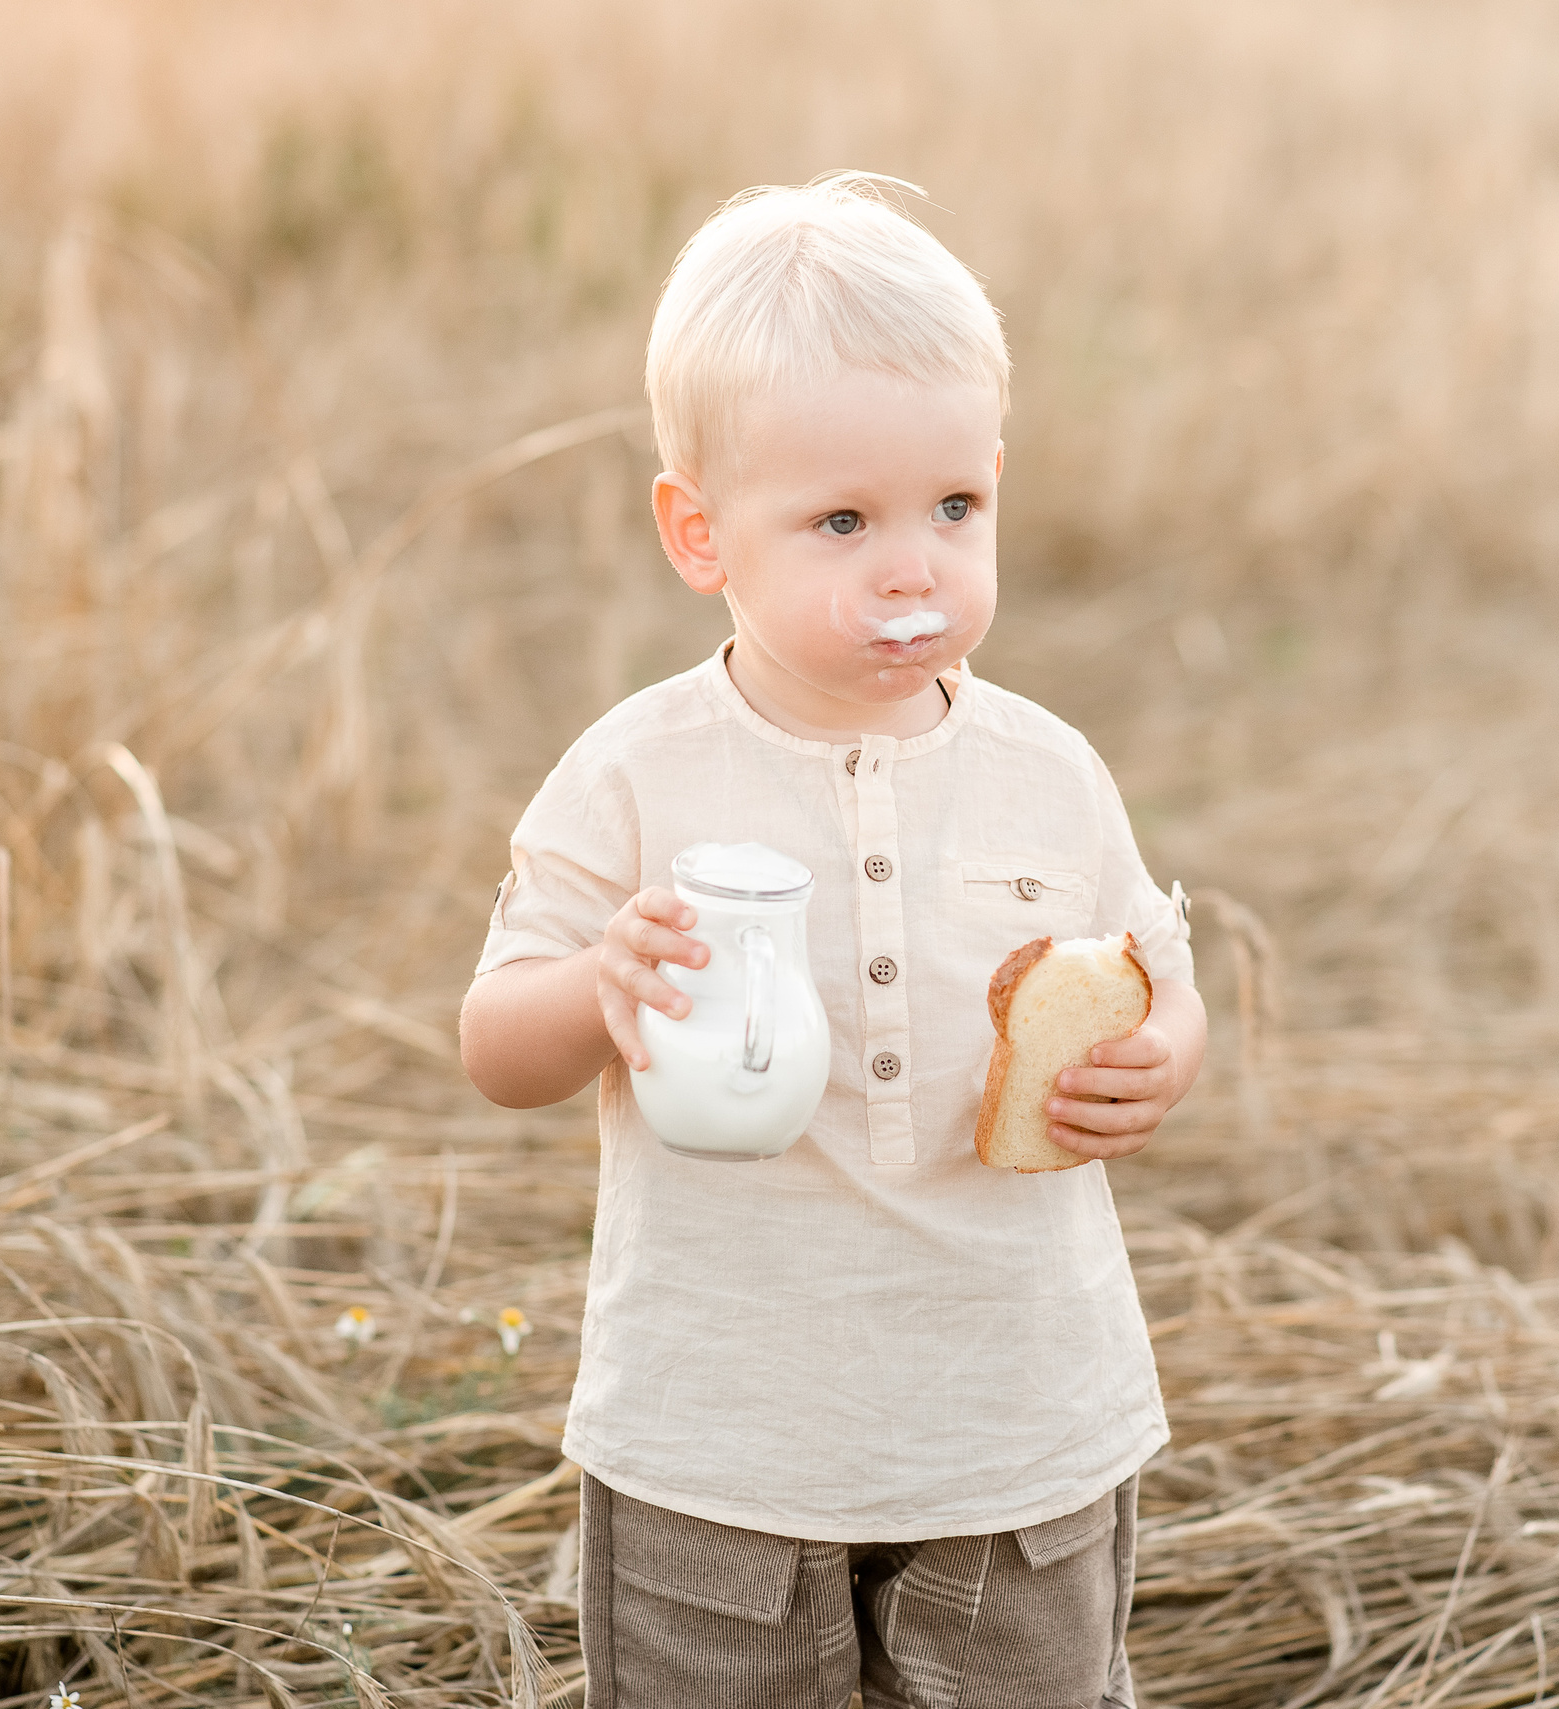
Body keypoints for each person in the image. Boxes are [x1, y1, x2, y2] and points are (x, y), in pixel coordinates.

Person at [458, 173, 1207, 1709]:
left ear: (997, 479)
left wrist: (1159, 1065)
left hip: (1017, 1434)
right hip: (720, 1442)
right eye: (841, 521)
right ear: (699, 532)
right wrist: (602, 991)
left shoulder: (1049, 773)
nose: (911, 565)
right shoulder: (639, 772)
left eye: (955, 507)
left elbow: (1157, 978)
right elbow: (494, 1042)